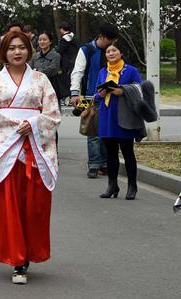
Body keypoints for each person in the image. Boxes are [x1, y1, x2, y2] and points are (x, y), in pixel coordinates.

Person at [0, 30, 60, 285]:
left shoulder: (40, 79)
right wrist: (14, 127)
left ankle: (30, 253)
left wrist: (34, 124)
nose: (17, 52)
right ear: (4, 52)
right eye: (11, 47)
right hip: (4, 149)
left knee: (34, 205)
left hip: (34, 148)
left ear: (29, 50)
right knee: (8, 207)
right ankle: (17, 260)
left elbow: (53, 114)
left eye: (22, 47)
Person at [93, 41, 143, 200]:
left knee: (128, 152)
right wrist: (99, 95)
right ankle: (112, 185)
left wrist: (122, 91)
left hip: (124, 117)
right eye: (108, 51)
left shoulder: (131, 71)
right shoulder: (102, 72)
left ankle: (132, 186)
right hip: (106, 117)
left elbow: (139, 90)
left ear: (121, 53)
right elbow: (95, 96)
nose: (111, 53)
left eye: (114, 50)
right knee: (111, 154)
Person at [70, 23, 119, 178]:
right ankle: (93, 165)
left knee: (107, 132)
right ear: (102, 36)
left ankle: (104, 164)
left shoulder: (113, 52)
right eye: (109, 41)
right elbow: (77, 72)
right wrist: (74, 93)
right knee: (92, 132)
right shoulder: (86, 50)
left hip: (111, 97)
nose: (111, 46)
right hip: (90, 97)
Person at [30, 31, 62, 99]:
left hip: (52, 86)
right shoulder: (35, 56)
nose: (42, 42)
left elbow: (53, 70)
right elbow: (29, 69)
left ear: (50, 42)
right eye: (40, 40)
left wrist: (37, 72)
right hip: (36, 88)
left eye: (44, 39)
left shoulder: (56, 55)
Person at [56, 22, 79, 103]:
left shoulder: (64, 40)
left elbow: (59, 51)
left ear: (62, 29)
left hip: (67, 64)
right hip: (75, 61)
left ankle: (67, 98)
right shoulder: (74, 38)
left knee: (66, 81)